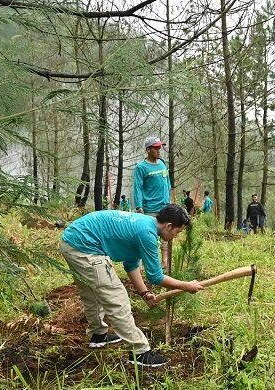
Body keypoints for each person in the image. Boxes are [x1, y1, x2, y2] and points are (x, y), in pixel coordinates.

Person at [59, 205, 202, 367]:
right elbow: (156, 276)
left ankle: (98, 335)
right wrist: (186, 286)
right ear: (168, 226)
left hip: (71, 241)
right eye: (178, 232)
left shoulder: (145, 225)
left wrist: (144, 293)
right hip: (85, 246)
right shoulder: (147, 234)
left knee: (91, 293)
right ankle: (139, 352)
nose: (176, 237)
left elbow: (131, 264)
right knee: (116, 297)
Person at [133, 136, 171, 269]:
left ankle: (165, 262)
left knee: (166, 234)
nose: (159, 150)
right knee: (149, 236)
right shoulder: (141, 167)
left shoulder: (162, 163)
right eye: (156, 148)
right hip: (149, 208)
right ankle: (145, 263)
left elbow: (167, 182)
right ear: (148, 150)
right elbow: (137, 187)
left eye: (160, 147)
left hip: (164, 206)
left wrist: (169, 201)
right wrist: (139, 206)